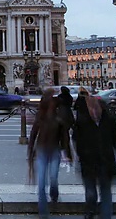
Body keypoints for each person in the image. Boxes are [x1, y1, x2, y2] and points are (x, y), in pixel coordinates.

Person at [73, 87, 116, 219]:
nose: (94, 112)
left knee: (96, 191)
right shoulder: (109, 119)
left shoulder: (83, 119)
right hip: (100, 161)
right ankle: (97, 213)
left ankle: (92, 213)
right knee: (102, 193)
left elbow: (76, 139)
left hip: (93, 161)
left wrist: (79, 155)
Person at [27, 88, 73, 218]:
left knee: (53, 178)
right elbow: (33, 134)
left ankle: (54, 195)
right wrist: (30, 152)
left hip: (54, 151)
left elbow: (65, 137)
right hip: (42, 151)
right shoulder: (40, 117)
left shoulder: (59, 119)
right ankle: (43, 213)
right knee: (41, 182)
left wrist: (68, 154)